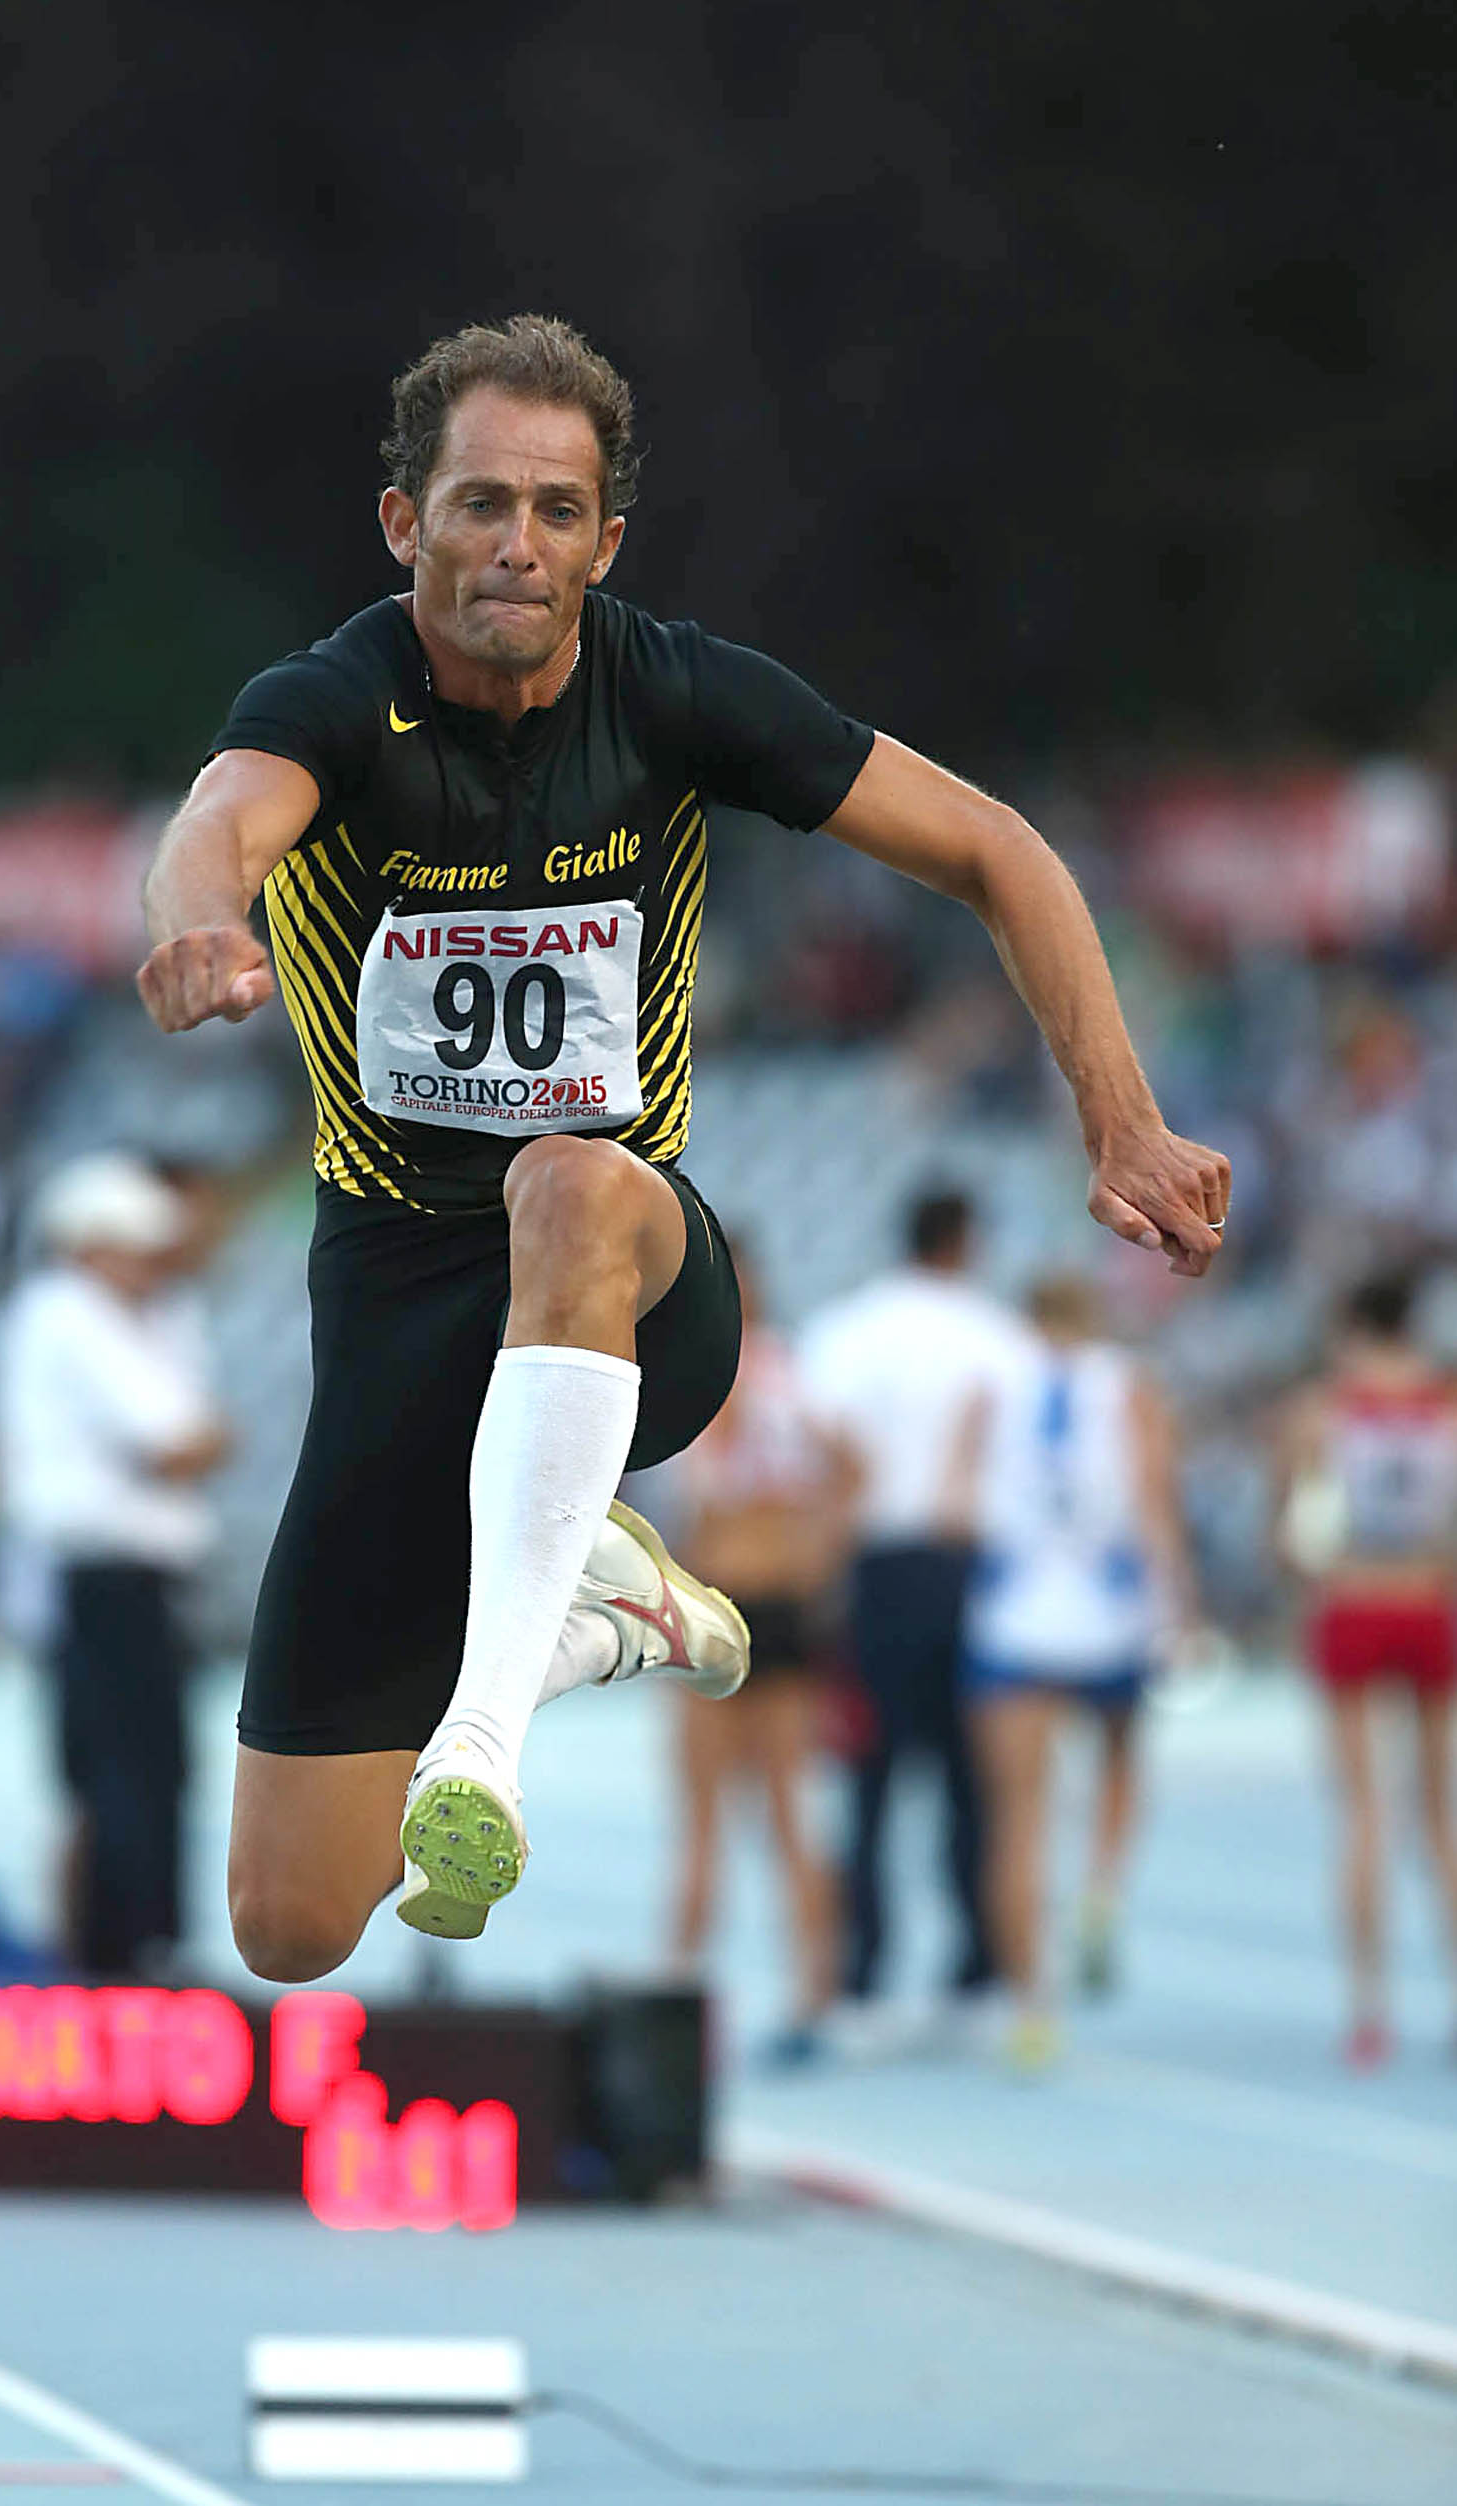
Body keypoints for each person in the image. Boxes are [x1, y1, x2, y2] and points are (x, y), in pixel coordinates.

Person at [134, 312, 1230, 1984]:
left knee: (562, 1173)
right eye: (482, 502)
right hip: (398, 1307)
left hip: (638, 1279)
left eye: (558, 510)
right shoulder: (336, 703)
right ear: (404, 522)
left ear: (607, 541)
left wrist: (1122, 1115)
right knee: (289, 1925)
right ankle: (600, 1615)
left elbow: (998, 850)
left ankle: (484, 1742)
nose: (519, 544)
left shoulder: (674, 692)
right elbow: (217, 820)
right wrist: (203, 920)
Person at [0, 1153, 229, 1979]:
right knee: (127, 1769)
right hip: (103, 1578)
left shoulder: (133, 1319)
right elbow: (180, 1442)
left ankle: (127, 1946)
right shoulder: (68, 1313)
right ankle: (128, 1952)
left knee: (137, 1767)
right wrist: (197, 1442)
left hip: (124, 1578)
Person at [797, 1191, 1026, 2025]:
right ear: (966, 1242)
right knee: (973, 1779)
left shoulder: (846, 1332)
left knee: (868, 1778)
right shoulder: (999, 1337)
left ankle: (864, 1973)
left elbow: (820, 1447)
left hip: (878, 1569)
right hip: (969, 1570)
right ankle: (977, 1964)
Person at [958, 1272, 1193, 2068]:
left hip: (1016, 1613)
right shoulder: (1127, 1386)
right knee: (1120, 1758)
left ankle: (1031, 2010)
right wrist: (1178, 1604)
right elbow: (1156, 1500)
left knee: (1016, 1821)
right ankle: (1100, 1882)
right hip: (1107, 1609)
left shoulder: (991, 1386)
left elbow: (959, 1499)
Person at [664, 1256, 858, 2060]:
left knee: (714, 1819)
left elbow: (707, 1488)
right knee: (779, 1814)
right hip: (774, 1603)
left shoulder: (712, 1373)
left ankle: (682, 1997)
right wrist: (822, 1558)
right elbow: (851, 1468)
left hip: (726, 1602)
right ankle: (809, 1996)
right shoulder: (793, 1374)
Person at [1278, 1273, 1457, 2066]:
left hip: (1353, 1602)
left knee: (1362, 1814)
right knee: (1439, 1816)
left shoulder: (1321, 1409)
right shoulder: (1446, 1404)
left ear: (1353, 1326)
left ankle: (1368, 2009)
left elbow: (1293, 1532)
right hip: (1428, 1602)